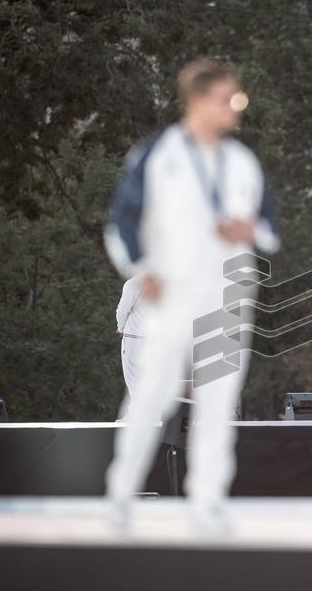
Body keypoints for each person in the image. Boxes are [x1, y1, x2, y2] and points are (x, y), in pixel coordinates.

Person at [103, 57, 280, 526]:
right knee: (152, 394)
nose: (237, 108)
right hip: (175, 293)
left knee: (220, 398)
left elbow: (270, 226)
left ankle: (207, 501)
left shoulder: (242, 162)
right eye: (229, 99)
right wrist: (141, 269)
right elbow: (122, 221)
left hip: (227, 293)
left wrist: (251, 229)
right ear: (199, 101)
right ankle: (120, 495)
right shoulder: (157, 154)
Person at [115, 274, 146, 416]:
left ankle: (137, 415)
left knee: (133, 377)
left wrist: (120, 327)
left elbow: (122, 310)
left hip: (134, 337)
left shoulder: (133, 283)